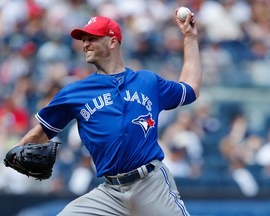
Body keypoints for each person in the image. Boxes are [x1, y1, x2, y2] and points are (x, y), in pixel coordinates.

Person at [14, 8, 202, 216]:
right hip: (110, 193)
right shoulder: (74, 93)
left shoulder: (147, 81)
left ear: (112, 42)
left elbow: (190, 88)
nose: (85, 44)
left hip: (151, 185)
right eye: (83, 39)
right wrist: (13, 155)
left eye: (92, 38)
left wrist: (190, 37)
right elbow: (41, 132)